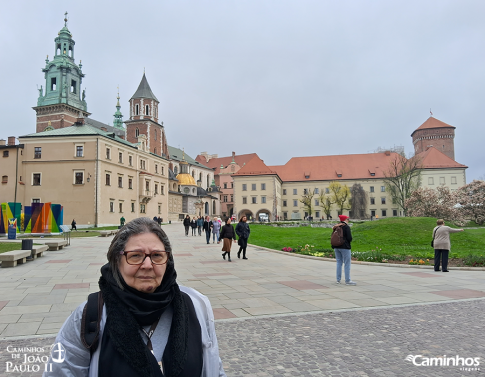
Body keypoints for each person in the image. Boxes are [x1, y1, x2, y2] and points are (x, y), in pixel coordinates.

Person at [43, 217, 226, 376]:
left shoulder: (197, 306)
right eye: (136, 256)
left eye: (157, 255)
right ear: (117, 260)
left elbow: (214, 370)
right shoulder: (88, 316)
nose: (147, 264)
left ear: (167, 261)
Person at [332, 215, 356, 285]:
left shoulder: (336, 227)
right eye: (347, 219)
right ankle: (347, 280)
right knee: (347, 263)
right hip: (345, 247)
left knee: (339, 262)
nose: (348, 220)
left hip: (336, 246)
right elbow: (349, 238)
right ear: (345, 220)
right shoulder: (346, 227)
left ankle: (338, 280)